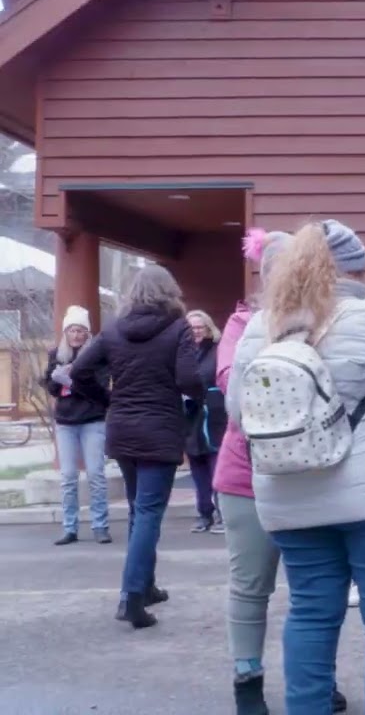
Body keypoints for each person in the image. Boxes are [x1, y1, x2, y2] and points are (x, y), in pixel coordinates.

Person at [227, 219, 365, 713]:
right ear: (349, 269)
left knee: (309, 614)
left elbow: (240, 415)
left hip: (291, 498)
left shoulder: (262, 325)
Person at [215, 229, 348, 714]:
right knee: (251, 585)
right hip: (245, 475)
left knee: (316, 590)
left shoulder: (330, 322)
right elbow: (233, 385)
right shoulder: (241, 323)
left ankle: (315, 681)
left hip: (310, 475)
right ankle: (247, 682)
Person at [71, 264, 203, 629]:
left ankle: (146, 586)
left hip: (123, 428)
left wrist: (108, 398)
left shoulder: (113, 329)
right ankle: (130, 596)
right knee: (147, 513)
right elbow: (189, 379)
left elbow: (80, 369)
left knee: (137, 510)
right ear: (169, 291)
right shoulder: (178, 329)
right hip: (159, 427)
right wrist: (195, 400)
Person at [46, 305, 112, 546]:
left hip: (92, 420)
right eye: (72, 330)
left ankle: (100, 525)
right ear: (66, 333)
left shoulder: (97, 358)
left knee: (95, 474)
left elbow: (103, 394)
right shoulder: (56, 355)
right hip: (65, 422)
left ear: (88, 334)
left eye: (81, 331)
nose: (76, 335)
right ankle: (70, 527)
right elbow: (51, 387)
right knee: (68, 476)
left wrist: (73, 382)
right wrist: (56, 381)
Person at [184, 309, 226, 534]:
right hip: (190, 417)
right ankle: (204, 513)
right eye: (191, 328)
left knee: (216, 467)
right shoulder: (183, 352)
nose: (196, 332)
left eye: (200, 327)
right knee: (197, 468)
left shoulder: (218, 351)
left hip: (214, 416)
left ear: (209, 328)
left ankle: (222, 514)